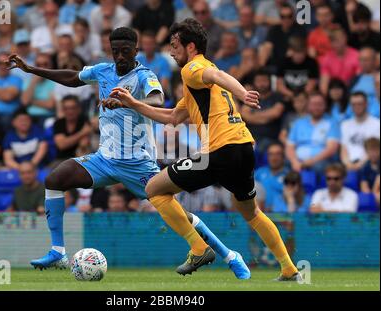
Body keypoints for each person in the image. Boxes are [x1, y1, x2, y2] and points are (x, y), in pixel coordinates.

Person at [6, 27, 248, 278]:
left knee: (180, 215)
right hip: (104, 159)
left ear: (136, 50)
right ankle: (58, 251)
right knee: (55, 179)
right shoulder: (102, 71)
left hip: (138, 164)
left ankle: (230, 255)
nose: (120, 56)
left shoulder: (145, 76)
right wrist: (32, 69)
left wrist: (125, 100)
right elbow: (73, 77)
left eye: (125, 51)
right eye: (115, 51)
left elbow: (156, 100)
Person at [109, 18, 300, 281]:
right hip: (243, 148)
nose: (171, 51)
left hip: (221, 151)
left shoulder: (194, 68)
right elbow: (173, 117)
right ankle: (289, 268)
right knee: (251, 212)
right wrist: (132, 104)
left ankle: (198, 247)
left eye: (174, 45)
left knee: (154, 189)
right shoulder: (197, 83)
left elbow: (218, 76)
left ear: (190, 46)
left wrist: (243, 93)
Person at [286, 92, 340, 174]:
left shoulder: (332, 123)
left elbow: (331, 149)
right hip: (298, 160)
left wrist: (311, 161)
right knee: (284, 164)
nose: (316, 107)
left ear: (325, 106)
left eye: (319, 104)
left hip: (319, 161)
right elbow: (289, 146)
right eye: (313, 104)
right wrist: (294, 161)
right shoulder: (299, 123)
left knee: (319, 167)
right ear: (308, 106)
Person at [340, 92, 380, 171]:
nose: (357, 107)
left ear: (366, 104)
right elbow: (343, 149)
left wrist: (360, 165)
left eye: (359, 104)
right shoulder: (345, 125)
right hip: (349, 164)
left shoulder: (377, 124)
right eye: (353, 104)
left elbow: (376, 149)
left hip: (369, 164)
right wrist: (348, 164)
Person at [255, 142, 290, 211]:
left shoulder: (289, 175)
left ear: (283, 157)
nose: (274, 158)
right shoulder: (259, 173)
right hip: (261, 213)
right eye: (271, 154)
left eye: (278, 154)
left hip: (282, 215)